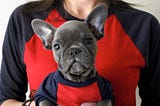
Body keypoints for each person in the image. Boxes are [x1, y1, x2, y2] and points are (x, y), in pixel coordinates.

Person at [0, 0, 159, 106]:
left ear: (98, 29)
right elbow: (5, 99)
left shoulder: (143, 25)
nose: (73, 52)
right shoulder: (23, 18)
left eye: (88, 41)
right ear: (47, 41)